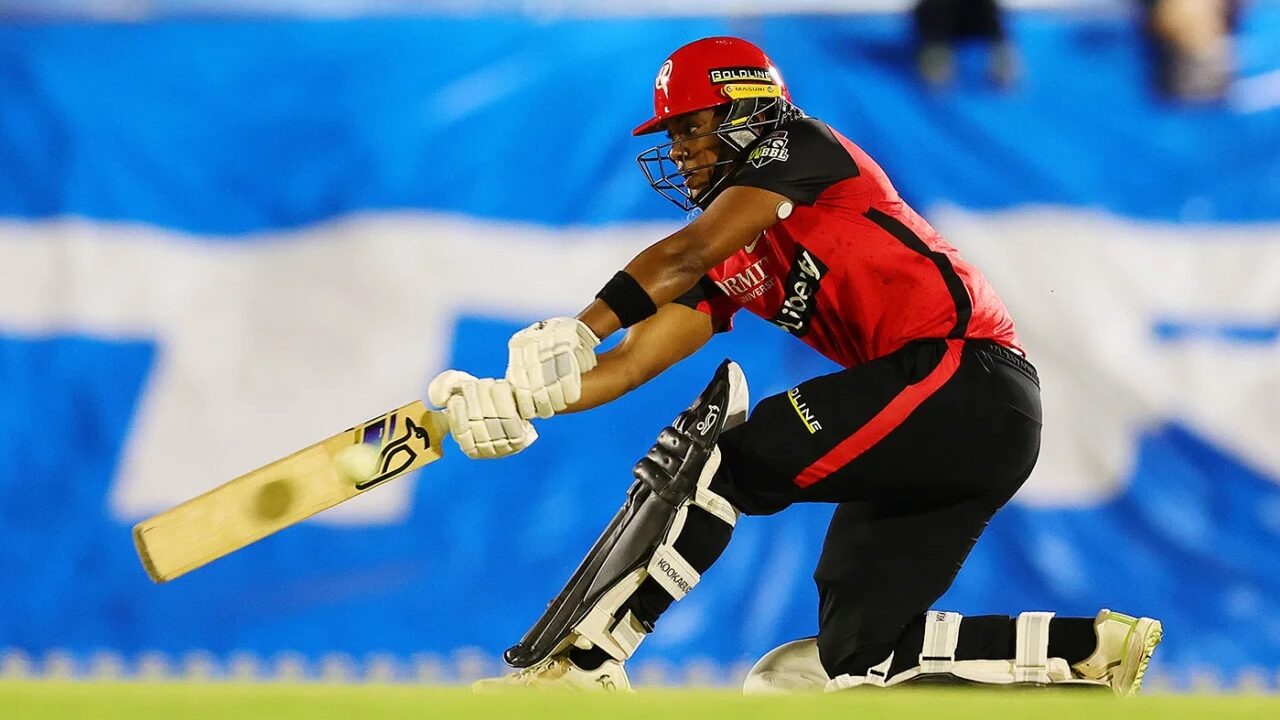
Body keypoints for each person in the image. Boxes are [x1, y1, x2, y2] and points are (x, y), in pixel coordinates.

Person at [427, 36, 1162, 695]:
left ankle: (586, 665)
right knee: (850, 658)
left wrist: (579, 325)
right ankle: (1091, 652)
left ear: (746, 112)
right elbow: (623, 370)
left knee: (724, 456)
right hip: (950, 416)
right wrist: (519, 397)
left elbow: (683, 255)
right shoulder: (736, 251)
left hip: (964, 381)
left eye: (690, 127)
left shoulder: (802, 145)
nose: (679, 151)